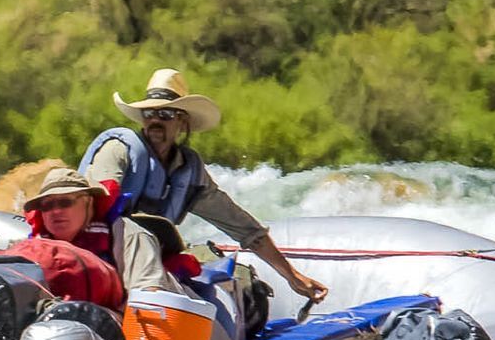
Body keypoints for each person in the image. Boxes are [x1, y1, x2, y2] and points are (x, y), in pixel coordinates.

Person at [79, 69, 328, 303]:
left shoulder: (190, 174)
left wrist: (292, 276)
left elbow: (244, 228)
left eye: (165, 115)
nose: (155, 120)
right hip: (101, 262)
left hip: (151, 268)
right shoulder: (118, 151)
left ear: (182, 122)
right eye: (149, 113)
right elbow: (90, 209)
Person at [22, 165, 169, 297]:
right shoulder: (34, 249)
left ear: (89, 202)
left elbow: (149, 298)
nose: (55, 211)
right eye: (47, 205)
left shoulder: (129, 236)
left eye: (65, 202)